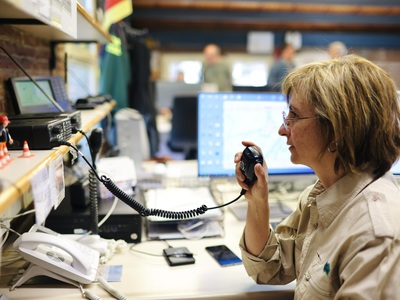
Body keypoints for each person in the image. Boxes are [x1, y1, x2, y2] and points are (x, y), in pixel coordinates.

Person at [234, 55, 400, 299]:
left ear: (337, 130)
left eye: (294, 116)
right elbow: (271, 268)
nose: (282, 129)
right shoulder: (324, 192)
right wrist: (258, 202)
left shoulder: (375, 237)